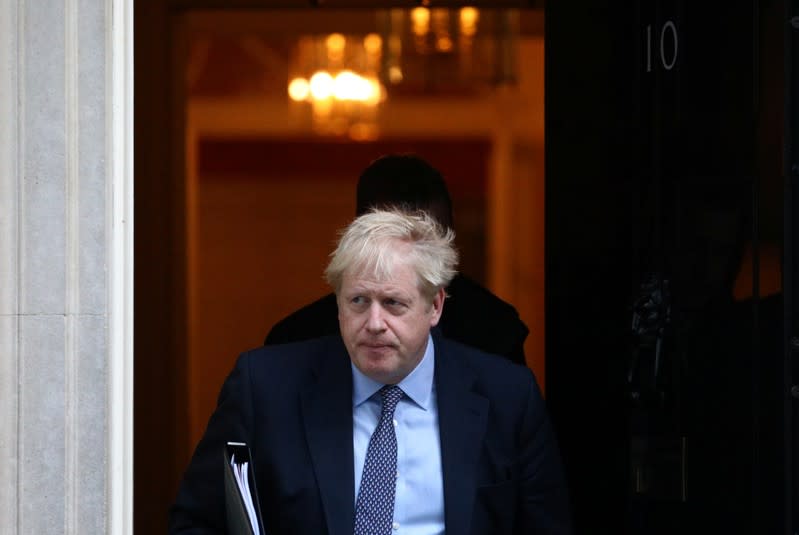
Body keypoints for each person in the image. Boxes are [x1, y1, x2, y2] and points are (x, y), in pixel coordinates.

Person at [169, 210, 572, 534]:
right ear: (339, 303)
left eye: (393, 303)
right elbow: (197, 522)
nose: (374, 322)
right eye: (358, 301)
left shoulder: (507, 397)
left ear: (435, 306)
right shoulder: (265, 388)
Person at [265, 153, 530, 366]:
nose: (412, 257)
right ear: (359, 236)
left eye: (430, 243)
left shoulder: (496, 331)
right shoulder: (295, 341)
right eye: (392, 241)